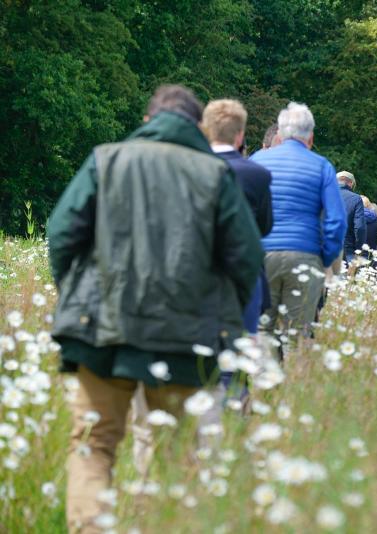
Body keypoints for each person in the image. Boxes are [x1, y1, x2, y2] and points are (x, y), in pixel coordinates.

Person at [47, 85, 263, 533]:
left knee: (95, 444)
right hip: (185, 338)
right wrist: (221, 318)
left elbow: (62, 233)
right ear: (198, 128)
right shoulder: (214, 174)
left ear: (148, 121)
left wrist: (77, 294)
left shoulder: (106, 159)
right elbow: (245, 257)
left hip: (101, 331)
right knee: (175, 448)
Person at [250, 102, 347, 345]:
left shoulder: (257, 161)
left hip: (261, 257)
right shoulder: (322, 166)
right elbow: (336, 220)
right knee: (296, 334)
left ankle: (264, 380)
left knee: (263, 330)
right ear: (311, 137)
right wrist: (325, 258)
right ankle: (295, 377)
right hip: (306, 255)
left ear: (280, 134)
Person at [202, 99, 273, 336]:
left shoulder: (190, 167)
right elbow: (264, 227)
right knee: (241, 344)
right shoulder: (258, 174)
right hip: (243, 269)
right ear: (240, 136)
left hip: (199, 268)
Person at [335, 171, 366, 263]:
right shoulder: (356, 198)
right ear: (351, 183)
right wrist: (359, 248)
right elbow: (359, 227)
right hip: (346, 247)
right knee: (348, 276)